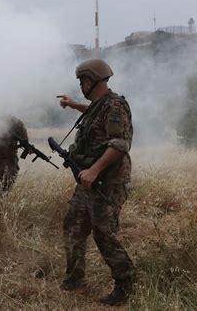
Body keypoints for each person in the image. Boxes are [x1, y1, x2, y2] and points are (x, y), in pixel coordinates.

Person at [57, 58, 135, 306]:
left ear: (91, 80)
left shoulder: (115, 106)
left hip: (108, 183)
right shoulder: (99, 105)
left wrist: (94, 169)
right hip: (89, 182)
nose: (81, 85)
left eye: (82, 81)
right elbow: (94, 113)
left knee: (104, 234)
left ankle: (125, 285)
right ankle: (75, 280)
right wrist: (73, 105)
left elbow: (120, 144)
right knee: (74, 225)